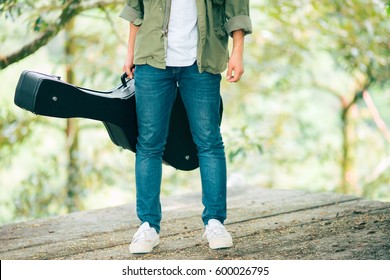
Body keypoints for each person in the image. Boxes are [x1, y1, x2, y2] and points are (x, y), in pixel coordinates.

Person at [120, 0, 252, 254]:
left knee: (209, 142)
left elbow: (236, 8)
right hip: (152, 60)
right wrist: (130, 54)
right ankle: (148, 225)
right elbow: (136, 10)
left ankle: (215, 222)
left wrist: (237, 51)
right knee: (148, 143)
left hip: (201, 61)